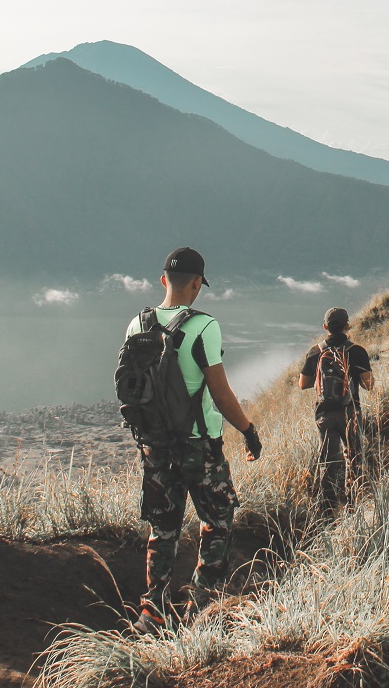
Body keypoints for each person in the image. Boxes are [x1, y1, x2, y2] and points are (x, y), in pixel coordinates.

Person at [126, 247, 262, 633]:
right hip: (198, 446)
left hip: (155, 446)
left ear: (163, 279)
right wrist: (249, 431)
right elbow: (220, 393)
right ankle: (201, 606)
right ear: (198, 283)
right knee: (217, 521)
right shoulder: (204, 326)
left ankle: (152, 611)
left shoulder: (137, 325)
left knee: (162, 528)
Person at [298, 307, 374, 506]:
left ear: (325, 327)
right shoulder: (357, 351)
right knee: (355, 458)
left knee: (329, 462)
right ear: (347, 326)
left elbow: (302, 384)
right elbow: (369, 384)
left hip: (324, 414)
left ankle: (329, 507)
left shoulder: (316, 351)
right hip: (350, 412)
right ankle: (354, 502)